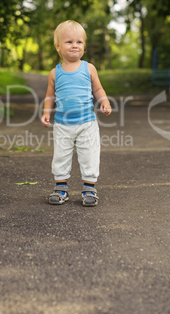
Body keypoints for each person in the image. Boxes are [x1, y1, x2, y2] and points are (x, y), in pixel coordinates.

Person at [41, 20, 111, 207]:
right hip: (63, 124)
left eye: (79, 42)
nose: (74, 45)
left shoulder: (89, 69)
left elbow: (98, 89)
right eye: (69, 42)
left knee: (89, 155)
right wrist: (46, 113)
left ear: (84, 46)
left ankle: (89, 188)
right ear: (58, 47)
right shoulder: (54, 73)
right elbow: (50, 96)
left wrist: (104, 101)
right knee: (61, 156)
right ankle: (60, 188)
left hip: (87, 123)